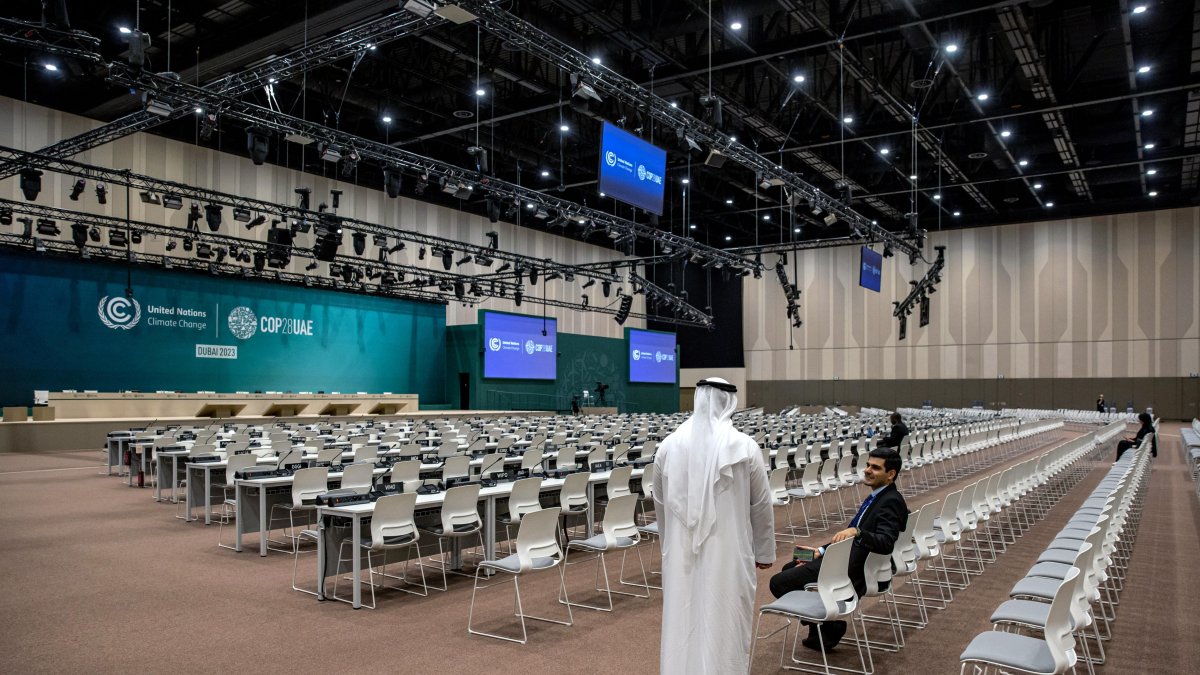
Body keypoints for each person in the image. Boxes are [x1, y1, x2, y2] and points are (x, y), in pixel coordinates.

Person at [653, 377, 776, 675]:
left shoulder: (668, 447)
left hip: (681, 554)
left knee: (684, 622)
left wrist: (669, 547)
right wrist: (764, 552)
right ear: (729, 403)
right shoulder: (745, 447)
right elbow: (761, 505)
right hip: (730, 555)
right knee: (724, 623)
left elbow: (660, 506)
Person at [768, 448, 908, 650]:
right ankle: (823, 629)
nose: (867, 470)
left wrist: (858, 532)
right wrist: (821, 551)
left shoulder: (890, 501)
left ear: (891, 474)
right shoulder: (880, 497)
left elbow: (886, 542)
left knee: (778, 583)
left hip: (850, 569)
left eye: (875, 468)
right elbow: (848, 537)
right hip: (843, 557)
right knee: (791, 565)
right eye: (868, 465)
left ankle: (828, 623)